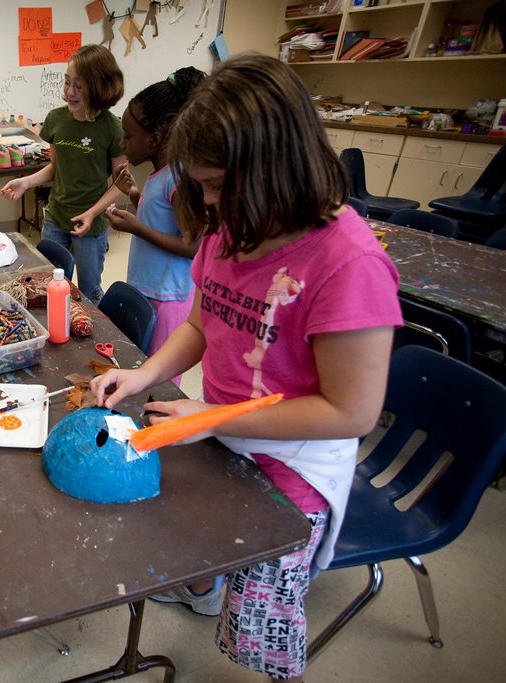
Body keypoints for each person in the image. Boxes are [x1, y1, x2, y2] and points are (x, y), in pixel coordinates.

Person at [91, 54, 402, 683]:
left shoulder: (348, 263)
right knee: (187, 525)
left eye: (216, 184)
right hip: (225, 429)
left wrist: (214, 415)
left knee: (259, 624)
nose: (206, 202)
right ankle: (205, 584)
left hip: (296, 464)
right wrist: (145, 374)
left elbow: (352, 412)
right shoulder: (231, 227)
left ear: (275, 169)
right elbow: (203, 326)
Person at [0, 44, 126, 303]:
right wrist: (26, 181)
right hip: (56, 218)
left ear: (99, 86)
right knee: (51, 287)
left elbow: (121, 183)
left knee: (90, 291)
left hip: (91, 226)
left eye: (79, 86)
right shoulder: (56, 119)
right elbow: (56, 169)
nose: (69, 92)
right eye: (67, 83)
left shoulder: (113, 127)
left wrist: (92, 213)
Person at [106, 67, 206, 381]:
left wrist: (137, 228)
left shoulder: (177, 178)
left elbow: (196, 246)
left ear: (156, 138)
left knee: (156, 384)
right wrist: (135, 195)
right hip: (148, 289)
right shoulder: (158, 174)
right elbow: (161, 217)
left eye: (129, 136)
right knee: (137, 372)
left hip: (167, 300)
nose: (124, 144)